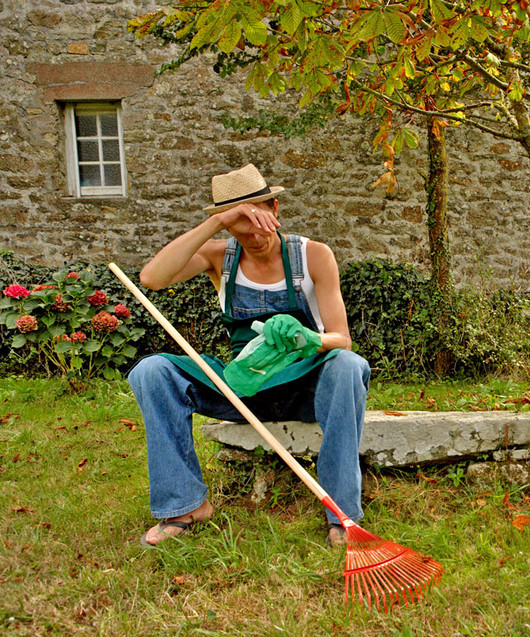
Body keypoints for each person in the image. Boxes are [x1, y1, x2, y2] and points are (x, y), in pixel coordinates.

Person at [128, 163, 370, 548]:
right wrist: (217, 222)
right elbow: (152, 279)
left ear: (275, 209)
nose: (254, 238)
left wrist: (309, 339)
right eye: (241, 229)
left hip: (301, 385)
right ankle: (184, 506)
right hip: (243, 385)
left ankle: (342, 515)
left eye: (259, 223)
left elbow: (343, 340)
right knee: (151, 371)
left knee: (348, 366)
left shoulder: (313, 256)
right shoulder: (218, 257)